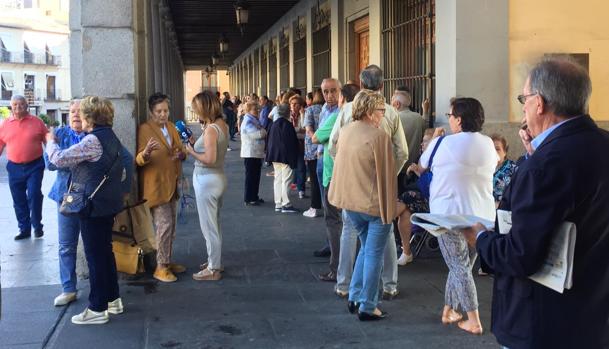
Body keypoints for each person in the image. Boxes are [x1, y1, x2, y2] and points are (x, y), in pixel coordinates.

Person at [463, 58, 609, 348]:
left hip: (545, 321)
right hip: (595, 316)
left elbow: (521, 256)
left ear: (539, 103)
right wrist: (534, 155)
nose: (524, 109)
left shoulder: (546, 165)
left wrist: (479, 238)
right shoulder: (599, 144)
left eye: (524, 100)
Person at [329, 65, 407, 300]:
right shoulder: (391, 113)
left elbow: (334, 145)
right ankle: (389, 284)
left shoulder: (347, 110)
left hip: (351, 188)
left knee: (350, 234)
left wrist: (347, 169)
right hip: (379, 188)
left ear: (361, 86)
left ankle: (345, 284)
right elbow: (401, 151)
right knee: (384, 235)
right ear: (383, 86)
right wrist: (389, 175)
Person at [46, 96, 126, 325]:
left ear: (90, 116)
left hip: (93, 205)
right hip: (107, 204)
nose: (78, 115)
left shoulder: (92, 141)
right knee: (105, 253)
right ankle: (113, 300)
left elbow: (59, 159)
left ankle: (97, 308)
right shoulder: (110, 136)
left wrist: (50, 141)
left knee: (95, 257)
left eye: (82, 112)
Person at [423, 97, 496, 335]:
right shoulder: (488, 144)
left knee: (459, 268)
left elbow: (424, 163)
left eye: (451, 115)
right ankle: (449, 309)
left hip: (449, 216)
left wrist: (434, 138)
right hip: (482, 216)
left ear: (459, 120)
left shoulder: (443, 143)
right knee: (462, 267)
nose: (449, 119)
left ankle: (473, 319)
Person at [136, 93, 187, 283]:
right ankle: (160, 267)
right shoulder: (144, 129)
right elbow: (138, 159)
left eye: (165, 110)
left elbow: (180, 149)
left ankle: (166, 260)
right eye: (159, 111)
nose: (163, 114)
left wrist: (180, 155)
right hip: (156, 186)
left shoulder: (172, 127)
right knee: (164, 226)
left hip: (171, 183)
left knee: (171, 226)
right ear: (151, 112)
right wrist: (146, 153)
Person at [45, 99, 87, 306]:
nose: (75, 114)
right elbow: (50, 164)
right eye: (72, 111)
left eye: (79, 111)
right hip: (65, 195)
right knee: (66, 245)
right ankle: (68, 288)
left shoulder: (92, 136)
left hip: (88, 195)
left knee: (95, 244)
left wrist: (63, 157)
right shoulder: (60, 134)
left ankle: (102, 287)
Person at [186, 91, 229, 281]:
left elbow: (209, 159)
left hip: (207, 179)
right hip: (217, 177)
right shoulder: (221, 125)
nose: (196, 113)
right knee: (214, 224)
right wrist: (197, 145)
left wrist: (191, 151)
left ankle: (213, 269)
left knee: (208, 227)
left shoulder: (211, 129)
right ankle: (215, 261)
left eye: (197, 109)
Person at [0, 95, 47, 240]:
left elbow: (47, 139)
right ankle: (24, 229)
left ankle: (37, 226)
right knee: (18, 199)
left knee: (34, 194)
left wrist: (53, 155)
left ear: (27, 106)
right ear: (11, 107)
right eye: (14, 104)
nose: (18, 107)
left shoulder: (37, 122)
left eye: (21, 104)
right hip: (14, 167)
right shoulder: (5, 124)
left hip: (35, 165)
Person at [395, 128, 437, 265]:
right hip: (422, 200)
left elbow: (433, 188)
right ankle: (406, 252)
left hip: (435, 204)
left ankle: (382, 221)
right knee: (405, 212)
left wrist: (418, 173)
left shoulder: (438, 160)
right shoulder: (422, 159)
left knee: (406, 198)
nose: (422, 144)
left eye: (425, 142)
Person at [311, 78, 341, 259]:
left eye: (333, 91)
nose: (329, 96)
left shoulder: (339, 112)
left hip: (332, 162)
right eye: (325, 92)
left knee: (334, 211)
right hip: (321, 158)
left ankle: (336, 250)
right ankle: (330, 243)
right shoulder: (324, 109)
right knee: (326, 205)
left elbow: (318, 136)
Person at [265, 104, 300, 213]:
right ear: (287, 113)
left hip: (274, 155)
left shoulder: (273, 124)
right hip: (286, 156)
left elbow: (268, 140)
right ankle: (286, 204)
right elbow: (292, 143)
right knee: (286, 180)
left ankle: (278, 203)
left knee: (278, 179)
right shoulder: (288, 125)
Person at [302, 88, 324, 218]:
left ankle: (314, 207)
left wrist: (316, 139)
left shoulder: (310, 110)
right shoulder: (328, 109)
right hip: (326, 148)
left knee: (314, 179)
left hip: (312, 148)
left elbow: (308, 128)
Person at [240, 100, 266, 206]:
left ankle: (254, 196)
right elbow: (257, 134)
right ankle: (249, 198)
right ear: (248, 110)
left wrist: (262, 131)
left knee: (256, 176)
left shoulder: (254, 120)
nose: (257, 111)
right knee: (251, 177)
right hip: (250, 152)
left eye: (258, 109)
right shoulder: (248, 121)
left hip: (256, 152)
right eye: (255, 109)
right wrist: (263, 131)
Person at [490, 133, 517, 207]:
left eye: (497, 149)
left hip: (505, 212)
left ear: (505, 152)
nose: (494, 152)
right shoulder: (483, 168)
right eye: (491, 149)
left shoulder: (514, 169)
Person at [289, 95, 307, 199]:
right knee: (290, 167)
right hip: (290, 144)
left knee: (301, 167)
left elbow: (305, 129)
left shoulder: (303, 114)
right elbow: (290, 130)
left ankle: (301, 189)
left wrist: (302, 114)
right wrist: (298, 130)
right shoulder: (288, 115)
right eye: (292, 104)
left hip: (300, 144)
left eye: (296, 104)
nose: (293, 106)